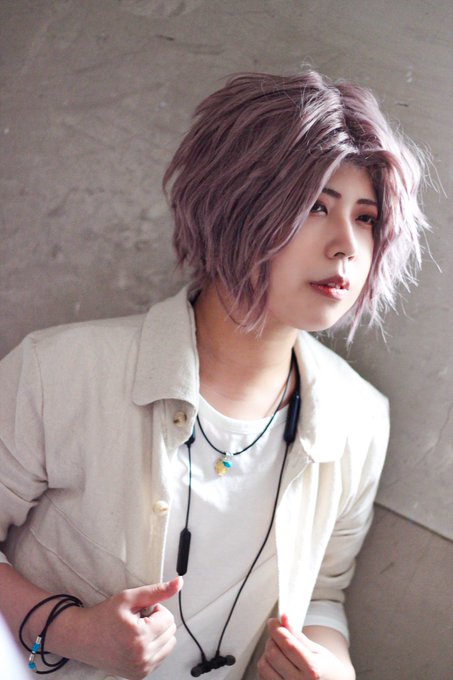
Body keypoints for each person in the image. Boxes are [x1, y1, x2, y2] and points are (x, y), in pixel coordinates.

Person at [0, 71, 427, 680]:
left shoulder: (359, 420)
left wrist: (332, 668)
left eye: (366, 217)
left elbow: (322, 593)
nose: (346, 246)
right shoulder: (61, 371)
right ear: (236, 204)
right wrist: (66, 629)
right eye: (316, 206)